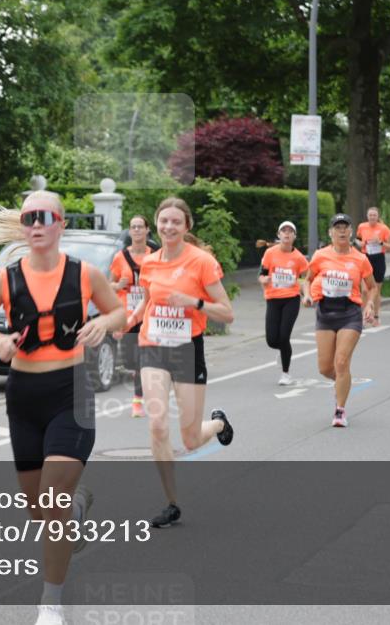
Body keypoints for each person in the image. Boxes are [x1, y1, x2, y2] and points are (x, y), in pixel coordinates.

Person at [0, 191, 125, 625]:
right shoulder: (7, 278)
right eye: (28, 218)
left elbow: (120, 314)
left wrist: (100, 324)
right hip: (23, 397)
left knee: (52, 496)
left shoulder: (86, 274)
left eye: (44, 216)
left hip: (70, 391)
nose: (35, 224)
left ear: (59, 224)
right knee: (41, 511)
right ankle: (74, 511)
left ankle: (50, 603)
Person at [124, 197, 235, 530]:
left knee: (189, 438)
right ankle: (172, 502)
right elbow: (146, 303)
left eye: (176, 222)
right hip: (153, 347)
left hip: (188, 348)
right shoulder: (150, 263)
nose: (168, 227)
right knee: (157, 424)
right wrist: (124, 322)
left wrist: (193, 301)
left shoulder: (202, 262)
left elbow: (226, 312)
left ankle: (218, 424)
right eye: (164, 221)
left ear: (187, 226)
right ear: (156, 224)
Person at [303, 214, 378, 429]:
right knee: (326, 368)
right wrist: (306, 295)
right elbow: (307, 280)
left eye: (345, 227)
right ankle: (342, 382)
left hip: (350, 313)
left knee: (342, 362)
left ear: (351, 232)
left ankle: (340, 410)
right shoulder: (320, 255)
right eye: (337, 228)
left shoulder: (360, 259)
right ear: (331, 233)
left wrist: (370, 304)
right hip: (326, 312)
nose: (342, 231)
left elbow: (372, 286)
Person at [109, 215, 153, 418]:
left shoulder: (155, 256)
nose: (136, 230)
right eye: (132, 227)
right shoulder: (120, 257)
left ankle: (138, 400)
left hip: (148, 313)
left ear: (146, 230)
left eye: (139, 227)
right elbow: (110, 285)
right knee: (130, 361)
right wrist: (118, 286)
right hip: (127, 314)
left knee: (142, 359)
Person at [257, 221, 309, 386]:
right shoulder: (270, 253)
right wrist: (263, 280)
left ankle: (285, 373)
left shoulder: (299, 258)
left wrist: (306, 295)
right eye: (283, 231)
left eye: (290, 231)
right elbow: (262, 274)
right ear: (279, 235)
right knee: (272, 340)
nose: (287, 234)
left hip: (291, 299)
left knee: (284, 336)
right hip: (273, 298)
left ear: (294, 236)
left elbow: (305, 279)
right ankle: (282, 351)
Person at [354, 207, 390, 322]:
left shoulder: (384, 228)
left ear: (378, 216)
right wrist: (361, 243)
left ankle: (375, 315)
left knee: (376, 290)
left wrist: (380, 242)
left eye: (374, 215)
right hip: (366, 258)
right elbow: (357, 240)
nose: (372, 217)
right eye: (370, 215)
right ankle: (364, 314)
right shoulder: (362, 227)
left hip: (379, 259)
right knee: (365, 290)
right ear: (367, 216)